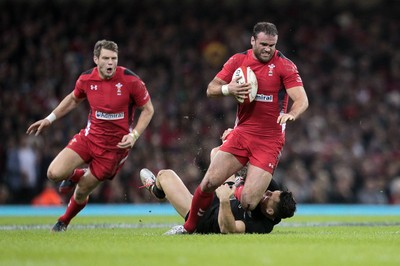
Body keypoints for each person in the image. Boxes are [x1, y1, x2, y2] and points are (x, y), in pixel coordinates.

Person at [166, 22, 308, 234]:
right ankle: (188, 227)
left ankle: (238, 181)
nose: (268, 49)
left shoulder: (285, 66)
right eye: (263, 44)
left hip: (269, 141)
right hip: (242, 134)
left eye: (272, 45)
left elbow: (302, 100)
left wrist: (292, 114)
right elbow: (211, 89)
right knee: (208, 183)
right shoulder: (238, 61)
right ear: (252, 41)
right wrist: (228, 88)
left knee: (250, 202)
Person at [26, 40, 154, 232]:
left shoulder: (131, 80)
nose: (110, 63)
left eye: (114, 59)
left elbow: (148, 110)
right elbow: (72, 99)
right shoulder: (86, 79)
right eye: (106, 58)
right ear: (96, 59)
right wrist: (49, 119)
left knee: (81, 191)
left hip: (114, 149)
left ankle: (64, 221)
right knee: (53, 173)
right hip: (89, 138)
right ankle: (76, 174)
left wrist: (134, 135)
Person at [140, 168, 296, 234]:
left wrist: (224, 200)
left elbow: (229, 229)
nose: (266, 192)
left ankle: (156, 189)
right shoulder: (271, 190)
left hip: (204, 218)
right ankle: (158, 191)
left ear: (270, 211)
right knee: (218, 153)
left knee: (164, 175)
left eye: (269, 196)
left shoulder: (262, 226)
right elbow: (256, 167)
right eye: (270, 191)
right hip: (222, 195)